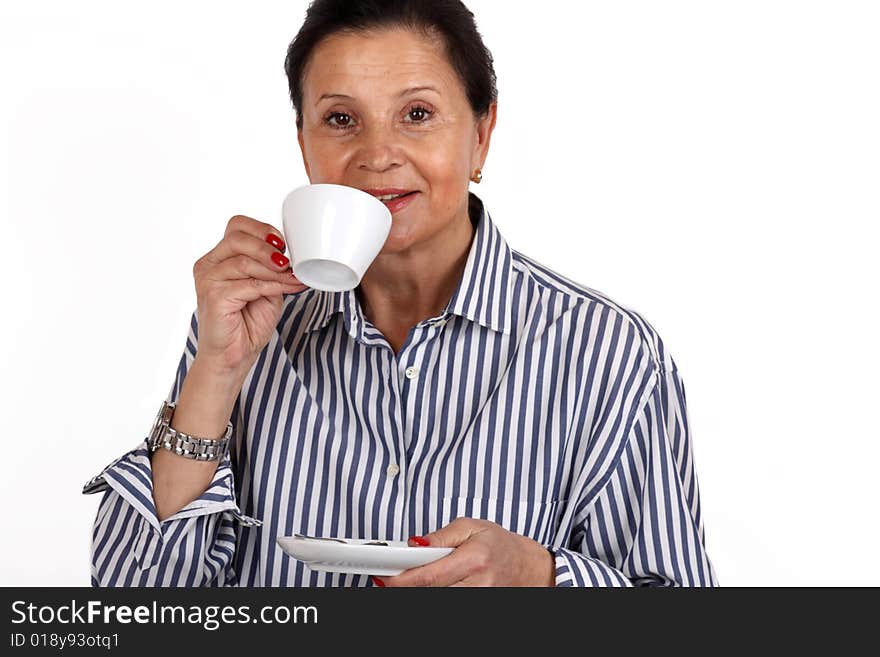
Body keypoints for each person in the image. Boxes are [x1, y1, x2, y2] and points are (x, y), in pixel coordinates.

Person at [84, 0, 717, 587]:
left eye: (417, 115)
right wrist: (216, 375)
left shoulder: (608, 353)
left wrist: (540, 576)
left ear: (481, 134)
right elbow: (136, 610)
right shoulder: (247, 327)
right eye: (340, 119)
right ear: (303, 143)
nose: (377, 155)